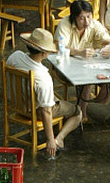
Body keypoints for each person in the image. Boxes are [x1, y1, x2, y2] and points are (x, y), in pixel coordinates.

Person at [6, 28, 84, 156]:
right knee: (77, 111)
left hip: (17, 104)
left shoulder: (15, 56)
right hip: (34, 111)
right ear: (44, 53)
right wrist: (50, 140)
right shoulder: (42, 76)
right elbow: (46, 111)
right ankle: (59, 139)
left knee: (52, 96)